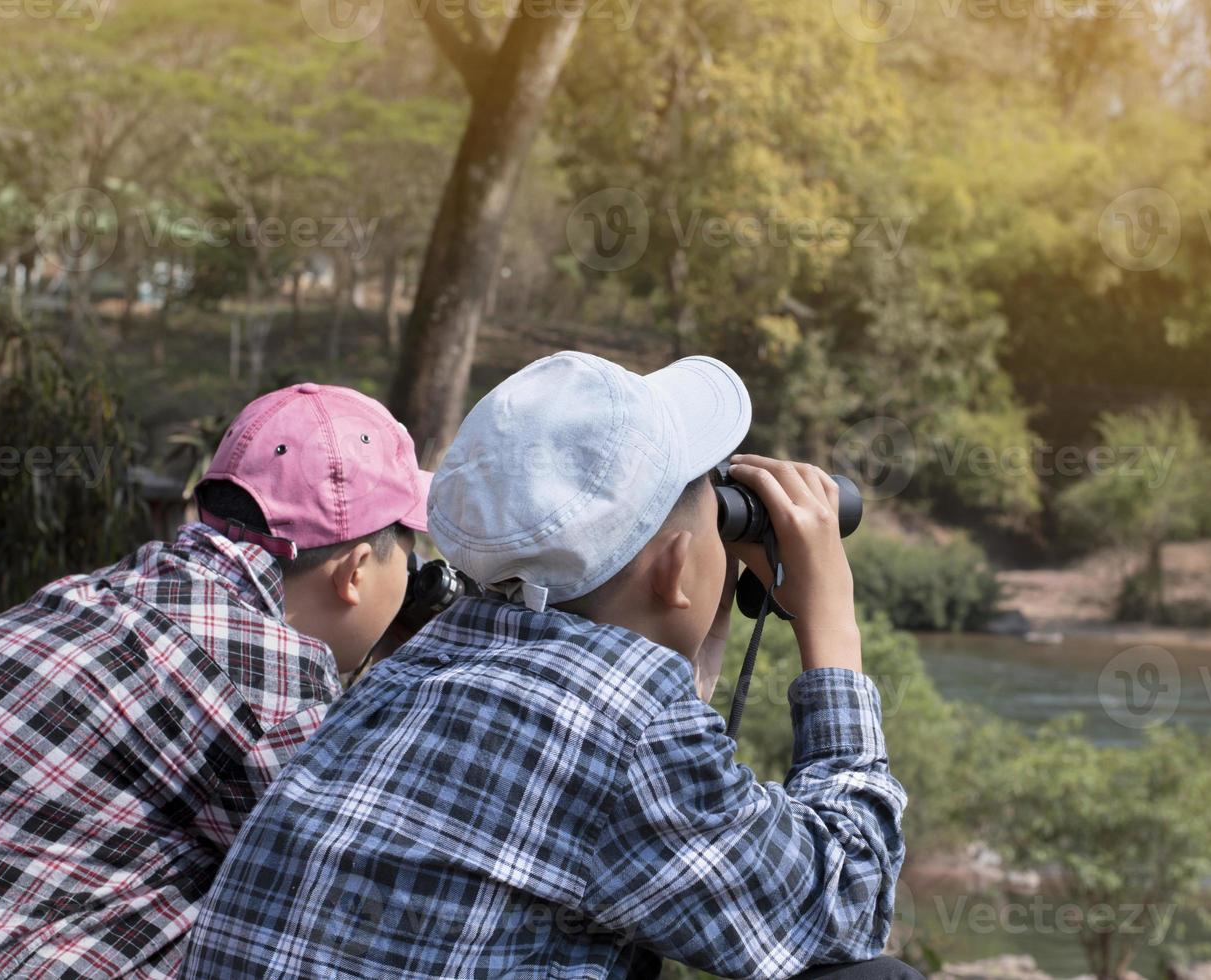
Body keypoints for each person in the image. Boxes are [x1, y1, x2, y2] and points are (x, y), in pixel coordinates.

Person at [178, 352, 917, 979]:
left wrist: (699, 601)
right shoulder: (628, 736)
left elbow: (626, 778)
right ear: (679, 567)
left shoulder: (420, 664)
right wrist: (830, 622)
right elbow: (845, 903)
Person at [0, 382, 433, 979]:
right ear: (356, 571)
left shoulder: (104, 591)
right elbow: (363, 889)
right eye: (408, 558)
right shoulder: (270, 683)